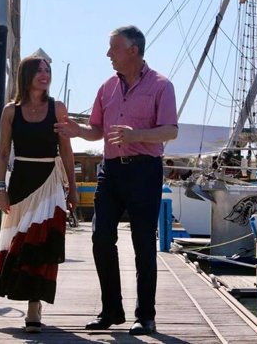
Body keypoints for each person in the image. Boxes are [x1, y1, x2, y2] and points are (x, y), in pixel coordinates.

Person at [54, 25, 178, 336]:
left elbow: (170, 130)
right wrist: (77, 131)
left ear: (133, 50)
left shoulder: (162, 86)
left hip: (145, 170)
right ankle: (111, 309)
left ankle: (145, 315)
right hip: (110, 172)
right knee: (100, 237)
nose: (108, 54)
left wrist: (138, 135)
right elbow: (96, 130)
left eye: (113, 48)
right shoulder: (106, 87)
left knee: (143, 243)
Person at [0, 55, 78, 333]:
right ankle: (25, 296)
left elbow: (66, 151)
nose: (45, 74)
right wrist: (0, 188)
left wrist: (73, 188)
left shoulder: (58, 108)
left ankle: (33, 305)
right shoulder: (10, 111)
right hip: (20, 183)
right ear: (25, 75)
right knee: (19, 243)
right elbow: (2, 153)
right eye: (39, 70)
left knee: (42, 245)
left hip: (50, 183)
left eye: (48, 70)